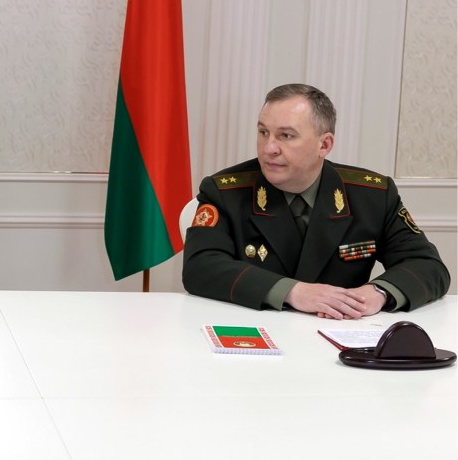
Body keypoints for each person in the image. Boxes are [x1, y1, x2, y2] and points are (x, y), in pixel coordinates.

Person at [182, 83, 450, 319]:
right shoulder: (225, 191)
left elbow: (428, 266)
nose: (269, 148)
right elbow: (200, 267)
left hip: (341, 342)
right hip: (253, 337)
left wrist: (378, 293)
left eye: (285, 136)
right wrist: (293, 292)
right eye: (264, 132)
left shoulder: (372, 195)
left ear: (324, 145)